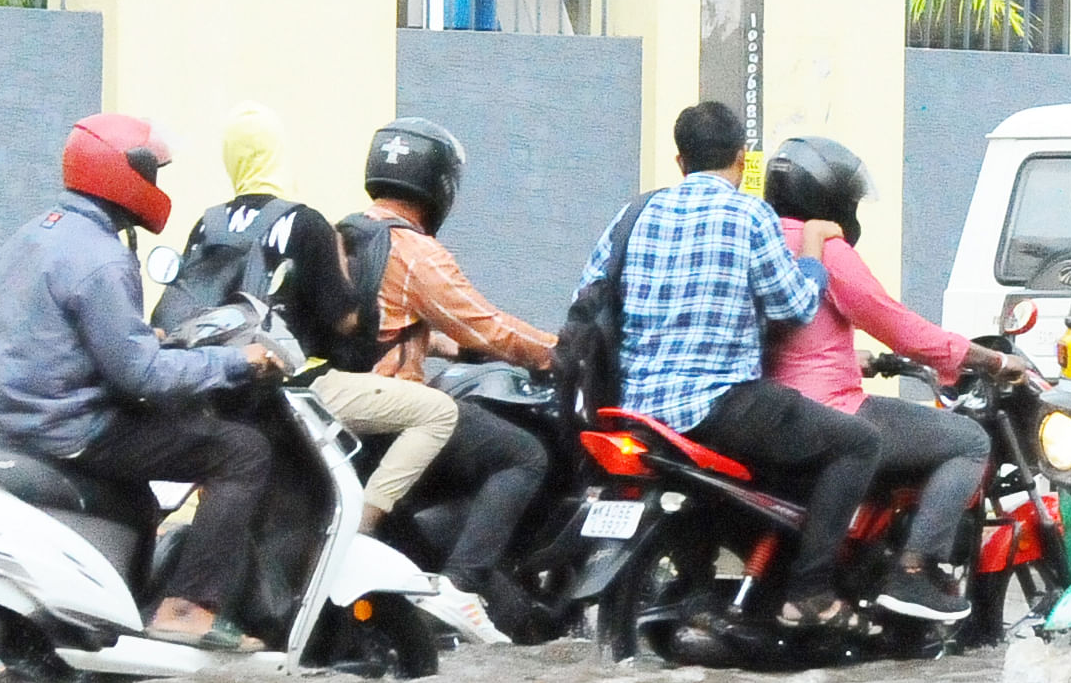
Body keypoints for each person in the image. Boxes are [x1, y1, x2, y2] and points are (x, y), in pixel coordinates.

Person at [0, 113, 286, 650]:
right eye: (153, 174)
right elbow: (142, 375)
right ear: (124, 174)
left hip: (24, 416)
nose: (157, 187)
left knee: (150, 478)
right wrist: (238, 363)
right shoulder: (101, 257)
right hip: (71, 426)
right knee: (242, 450)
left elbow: (81, 342)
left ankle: (120, 604)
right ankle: (188, 608)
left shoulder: (36, 234)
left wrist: (155, 342)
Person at [586, 103, 879, 626]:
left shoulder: (634, 213)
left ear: (680, 160)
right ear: (743, 161)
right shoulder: (750, 215)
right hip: (718, 408)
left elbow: (588, 298)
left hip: (633, 413)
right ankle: (810, 591)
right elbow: (793, 305)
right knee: (858, 442)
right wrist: (812, 250)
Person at [761, 136, 1031, 624]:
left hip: (768, 410)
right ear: (827, 196)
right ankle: (912, 569)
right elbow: (897, 326)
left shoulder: (760, 238)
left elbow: (797, 331)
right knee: (968, 441)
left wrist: (852, 355)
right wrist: (987, 360)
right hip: (830, 410)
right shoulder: (824, 245)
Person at [190, 104, 460, 538]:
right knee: (439, 412)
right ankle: (360, 529)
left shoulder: (208, 224)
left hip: (225, 390)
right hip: (294, 388)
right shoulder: (305, 222)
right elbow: (346, 320)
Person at [355, 116, 557, 629]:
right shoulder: (415, 250)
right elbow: (485, 326)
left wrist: (444, 347)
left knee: (407, 538)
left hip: (344, 412)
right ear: (440, 184)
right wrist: (553, 351)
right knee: (523, 455)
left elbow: (382, 322)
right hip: (393, 416)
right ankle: (462, 585)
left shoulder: (347, 234)